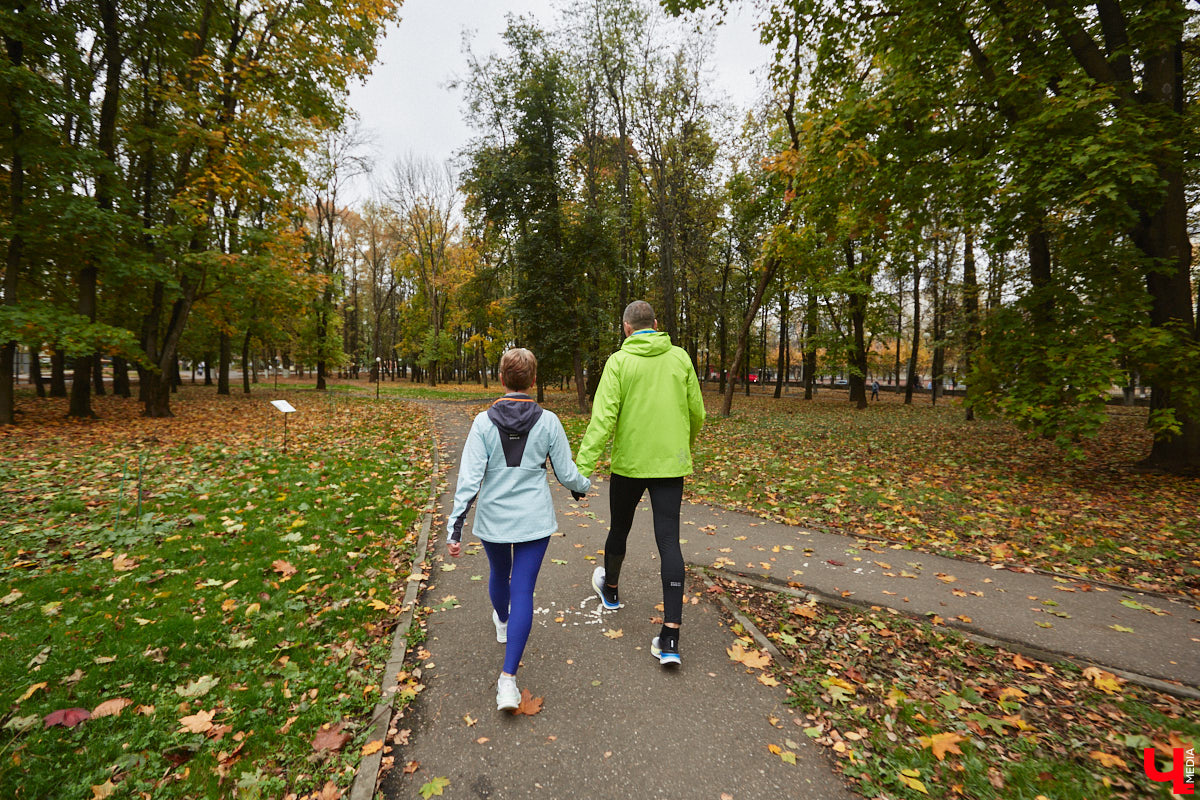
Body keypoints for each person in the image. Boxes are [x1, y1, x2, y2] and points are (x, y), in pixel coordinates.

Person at [446, 348, 591, 711]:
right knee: (522, 588)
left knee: (500, 574)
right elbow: (567, 472)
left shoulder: (482, 423)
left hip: (493, 520)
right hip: (534, 521)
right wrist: (583, 486)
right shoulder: (550, 421)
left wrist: (455, 528)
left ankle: (503, 620)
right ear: (534, 381)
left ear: (501, 380)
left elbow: (468, 480)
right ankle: (507, 682)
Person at [575, 300, 705, 667]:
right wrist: (683, 447)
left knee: (620, 528)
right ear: (656, 324)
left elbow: (602, 419)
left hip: (629, 466)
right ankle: (670, 638)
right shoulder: (679, 357)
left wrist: (583, 470)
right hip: (669, 465)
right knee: (669, 540)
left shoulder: (619, 362)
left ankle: (611, 591)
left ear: (626, 328)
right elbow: (697, 412)